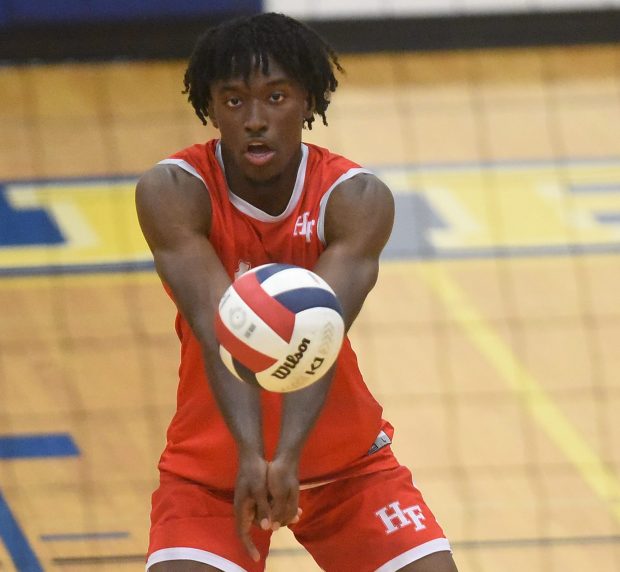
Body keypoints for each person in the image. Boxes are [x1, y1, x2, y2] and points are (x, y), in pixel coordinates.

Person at [136, 12, 458, 572]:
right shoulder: (173, 191)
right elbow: (221, 329)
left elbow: (318, 336)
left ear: (309, 101)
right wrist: (252, 454)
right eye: (234, 101)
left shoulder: (355, 198)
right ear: (210, 108)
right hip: (212, 469)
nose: (255, 120)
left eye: (276, 97)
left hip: (346, 464)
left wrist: (285, 455)